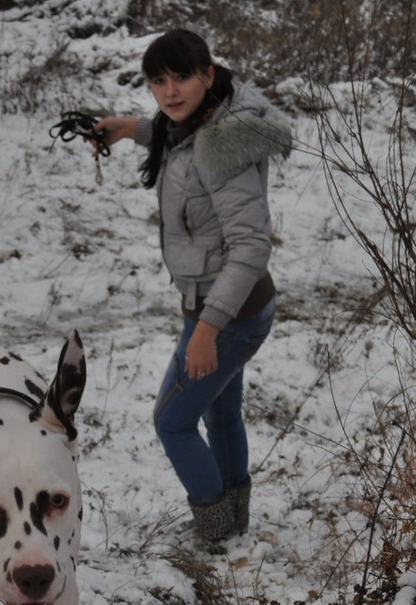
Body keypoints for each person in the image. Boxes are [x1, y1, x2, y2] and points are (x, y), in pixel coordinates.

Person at [94, 29, 291, 546]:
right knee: (220, 412)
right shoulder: (206, 117)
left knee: (173, 422)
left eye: (182, 77)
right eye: (158, 81)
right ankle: (233, 526)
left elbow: (251, 245)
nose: (170, 91)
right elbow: (175, 138)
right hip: (234, 306)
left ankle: (213, 525)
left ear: (208, 73)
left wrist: (207, 328)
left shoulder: (222, 146)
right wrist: (127, 129)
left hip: (227, 312)